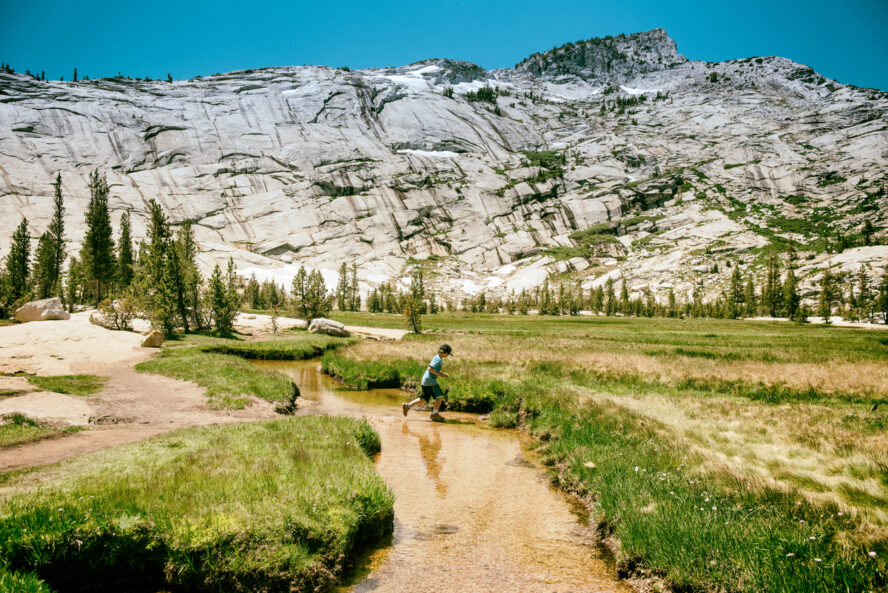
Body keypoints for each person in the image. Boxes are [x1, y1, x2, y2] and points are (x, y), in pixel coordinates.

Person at [402, 344, 452, 422]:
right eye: (448, 354)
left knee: (424, 399)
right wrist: (440, 374)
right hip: (430, 381)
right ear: (445, 353)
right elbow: (430, 369)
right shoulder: (438, 359)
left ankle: (407, 406)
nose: (448, 355)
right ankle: (434, 414)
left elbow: (433, 369)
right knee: (440, 397)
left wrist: (442, 374)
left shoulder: (437, 357)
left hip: (425, 380)